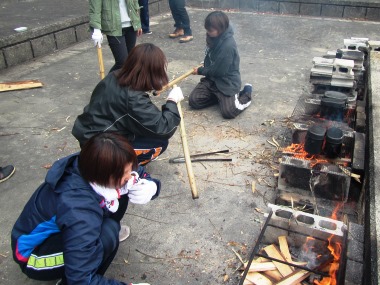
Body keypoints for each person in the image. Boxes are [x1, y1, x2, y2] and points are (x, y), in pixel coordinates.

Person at [11, 132, 157, 285]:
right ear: (104, 176)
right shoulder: (79, 210)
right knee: (107, 235)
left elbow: (134, 172)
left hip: (66, 230)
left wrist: (151, 186)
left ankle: (90, 244)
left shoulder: (92, 163)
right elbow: (80, 280)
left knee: (126, 191)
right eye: (124, 173)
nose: (130, 175)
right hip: (33, 257)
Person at [72, 43, 183, 165]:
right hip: (102, 149)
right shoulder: (133, 98)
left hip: (90, 136)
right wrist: (172, 101)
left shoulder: (114, 75)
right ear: (154, 71)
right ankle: (120, 169)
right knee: (159, 142)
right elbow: (163, 129)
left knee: (142, 130)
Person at [189, 11, 252, 119]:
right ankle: (219, 98)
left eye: (211, 30)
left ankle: (246, 92)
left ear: (221, 29)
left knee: (229, 112)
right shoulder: (213, 36)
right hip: (212, 79)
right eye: (207, 29)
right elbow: (210, 56)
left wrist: (200, 71)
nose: (208, 32)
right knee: (194, 101)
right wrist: (205, 63)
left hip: (227, 81)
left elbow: (218, 71)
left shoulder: (228, 46)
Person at [90, 0, 143, 72]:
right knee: (122, 62)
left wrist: (137, 22)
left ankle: (125, 82)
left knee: (131, 61)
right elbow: (95, 9)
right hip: (113, 27)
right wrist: (96, 28)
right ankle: (107, 82)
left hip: (131, 25)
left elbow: (134, 2)